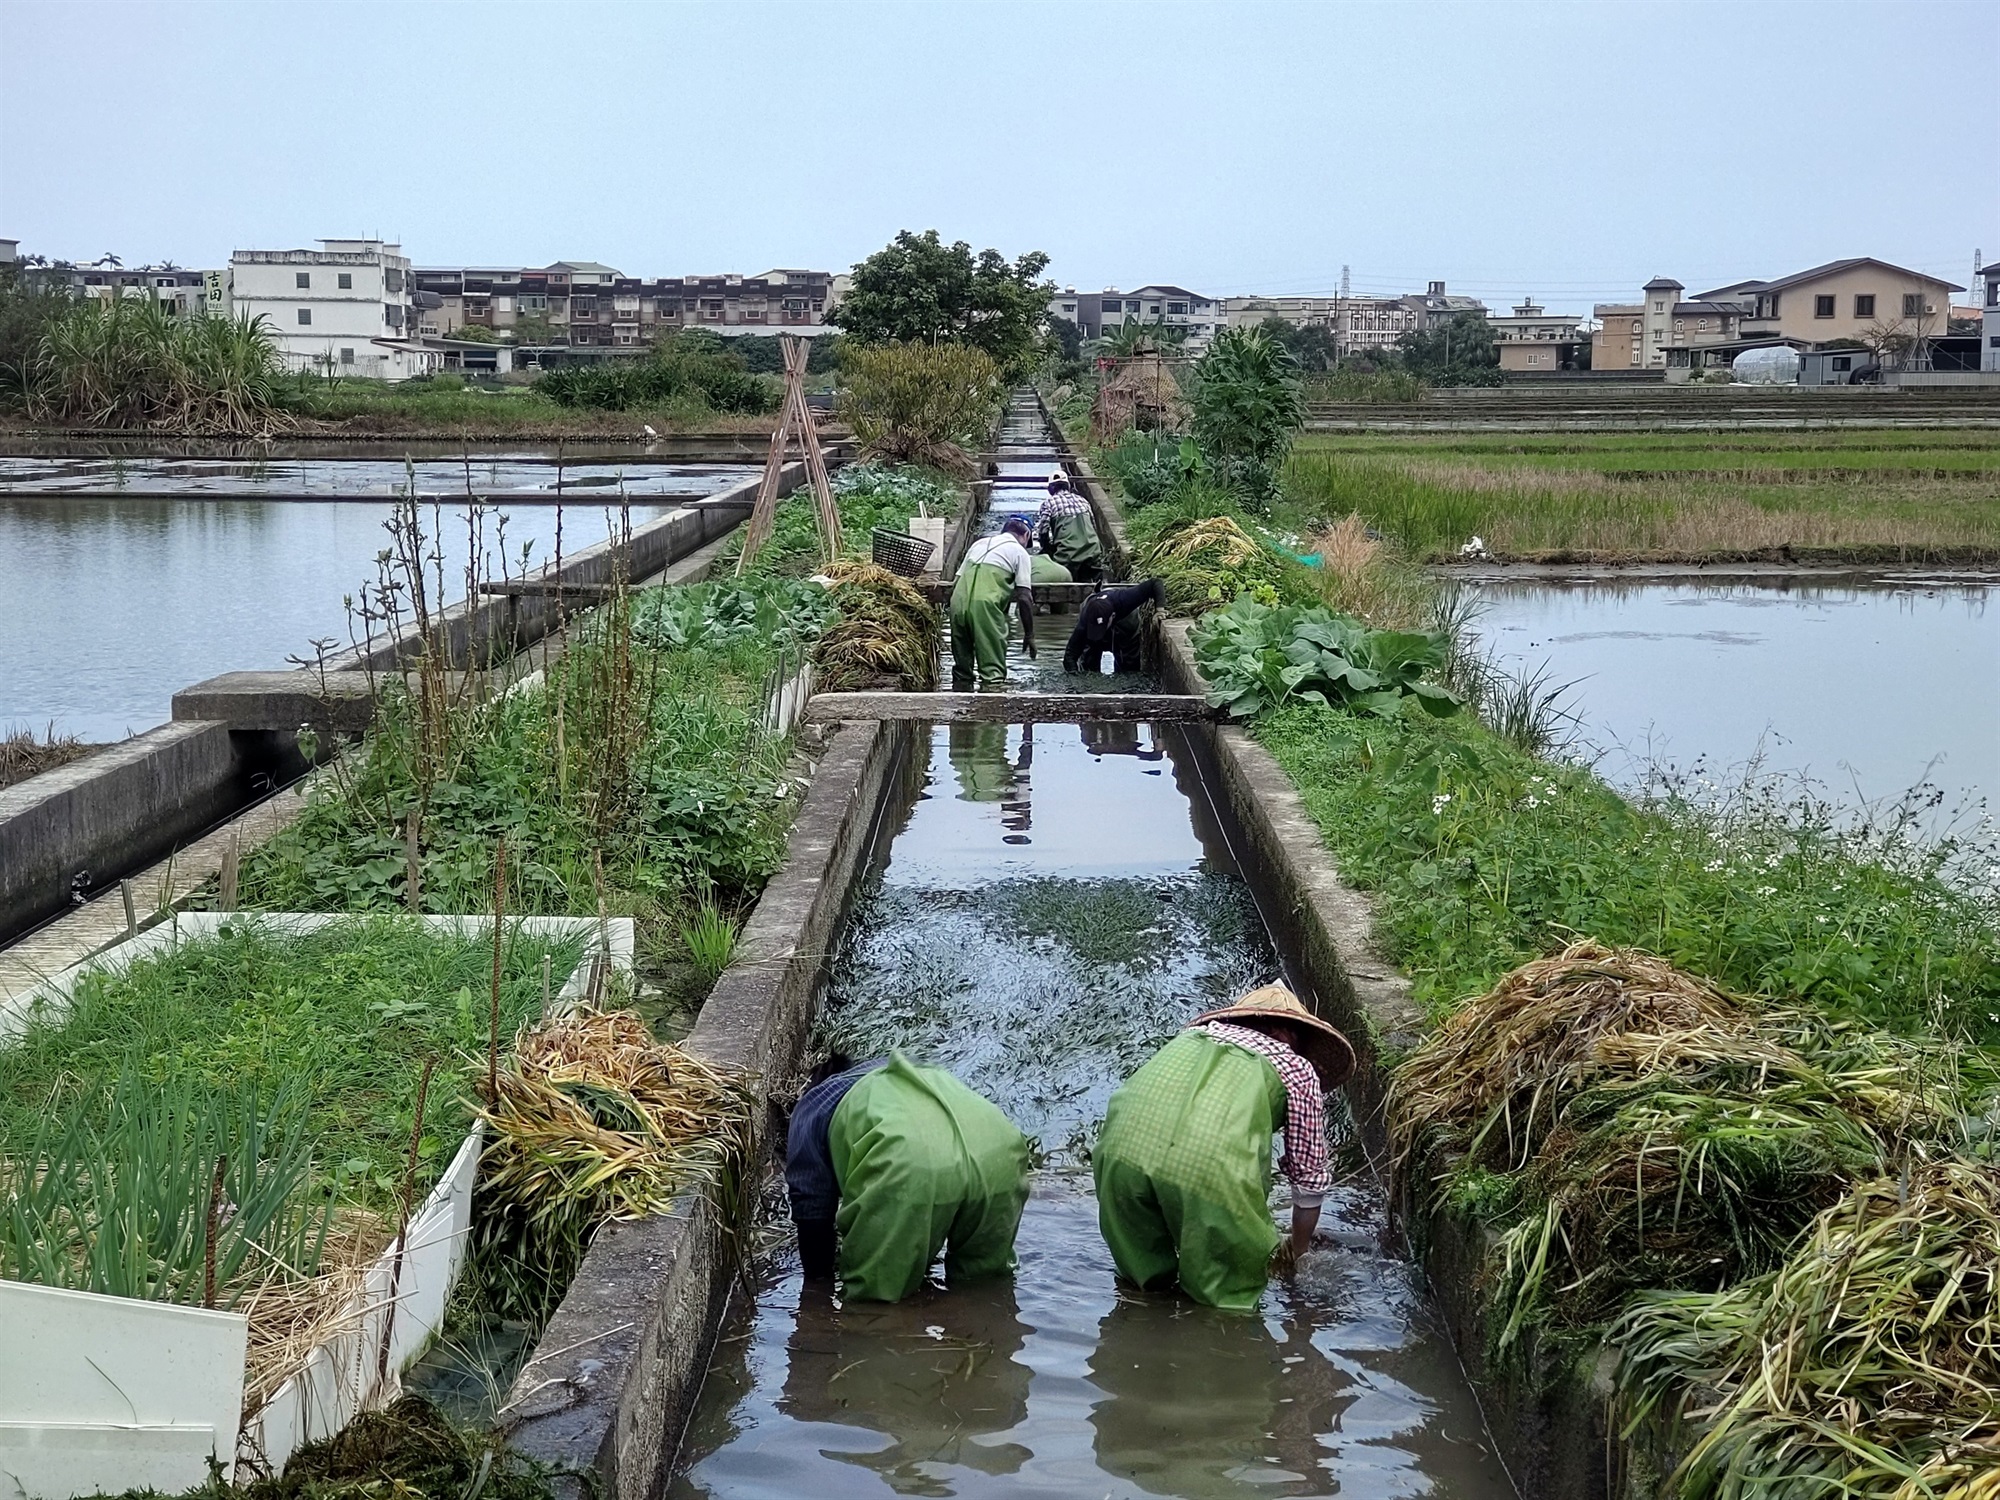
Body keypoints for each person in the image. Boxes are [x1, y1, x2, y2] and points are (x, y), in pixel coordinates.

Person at [1093, 983, 1355, 1311]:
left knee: (1140, 1291)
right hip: (1208, 1170)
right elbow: (1309, 1179)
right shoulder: (1297, 1068)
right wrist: (1296, 1251)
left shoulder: (1186, 1040)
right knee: (1225, 1307)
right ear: (1288, 1034)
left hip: (1119, 1156)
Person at [786, 1049, 1032, 1303]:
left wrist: (816, 1293)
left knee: (873, 1310)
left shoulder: (812, 1106)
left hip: (905, 1158)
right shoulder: (919, 1071)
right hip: (999, 1144)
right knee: (986, 1294)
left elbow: (812, 1213)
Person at [949, 517, 1037, 690]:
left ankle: (960, 711)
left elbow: (957, 579)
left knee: (962, 671)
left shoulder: (978, 544)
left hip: (957, 602)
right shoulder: (1019, 552)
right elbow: (1024, 597)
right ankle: (990, 712)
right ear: (1026, 535)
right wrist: (1029, 634)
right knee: (992, 674)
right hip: (985, 606)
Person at [1064, 577, 1165, 675]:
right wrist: (1074, 676)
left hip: (1125, 626)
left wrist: (1159, 611)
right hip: (1090, 629)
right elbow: (1070, 655)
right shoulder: (1084, 621)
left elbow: (1155, 583)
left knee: (1129, 668)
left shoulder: (1125, 599)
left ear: (1112, 616)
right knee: (1089, 665)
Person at [1036, 470, 1104, 585]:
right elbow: (1094, 527)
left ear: (1050, 489)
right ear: (1068, 486)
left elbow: (1043, 531)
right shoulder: (1083, 501)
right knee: (1092, 587)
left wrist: (1047, 549)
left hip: (1067, 557)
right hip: (1093, 553)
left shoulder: (1049, 503)